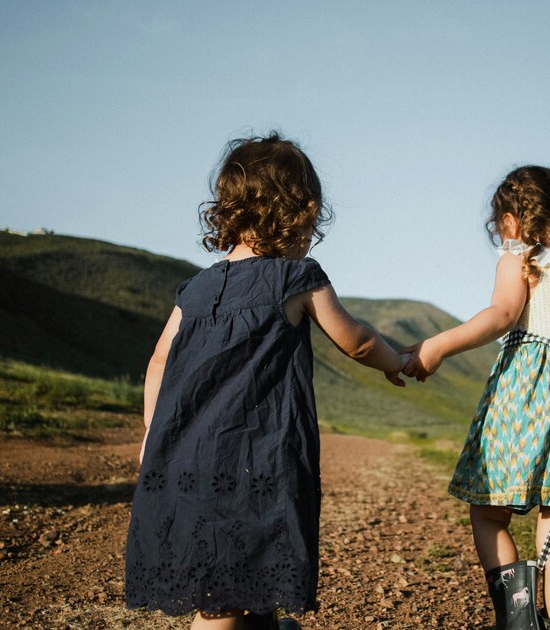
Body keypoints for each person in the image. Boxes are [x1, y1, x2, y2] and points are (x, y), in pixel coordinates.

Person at [125, 133, 408, 630]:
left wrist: (154, 433)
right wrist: (396, 362)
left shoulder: (195, 288)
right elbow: (356, 341)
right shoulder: (296, 278)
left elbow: (157, 359)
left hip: (184, 456)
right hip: (255, 458)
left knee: (244, 578)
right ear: (302, 211)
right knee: (222, 602)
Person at [403, 166, 550, 630]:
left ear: (517, 217)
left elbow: (501, 314)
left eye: (500, 221)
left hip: (526, 409)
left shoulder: (522, 260)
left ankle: (517, 621)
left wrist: (435, 347)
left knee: (489, 514)